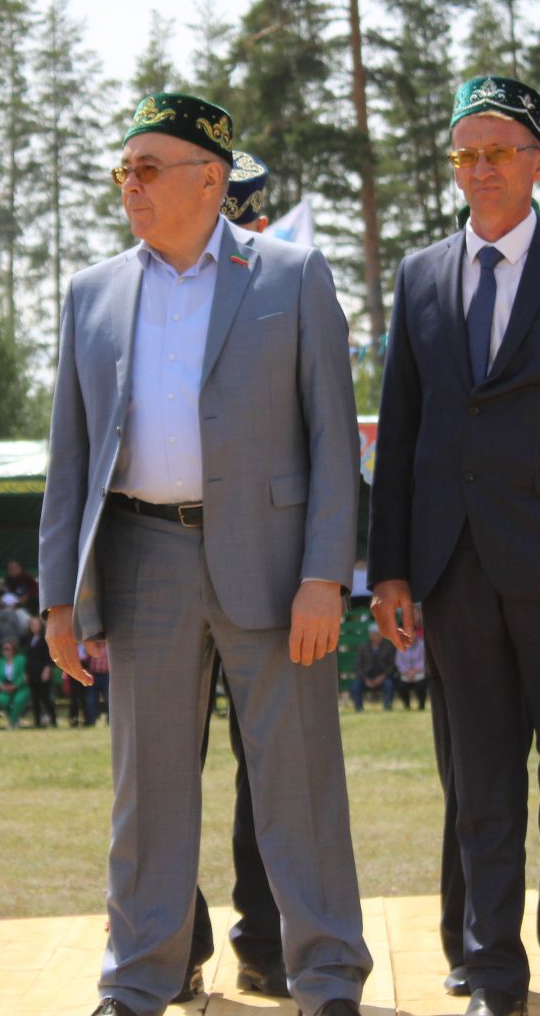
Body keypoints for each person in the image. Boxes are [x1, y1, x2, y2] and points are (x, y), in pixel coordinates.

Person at [39, 93, 370, 1016]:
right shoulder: (93, 292)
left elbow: (333, 442)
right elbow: (70, 457)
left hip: (273, 566)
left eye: (148, 169)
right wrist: (60, 599)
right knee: (147, 790)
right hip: (143, 557)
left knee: (299, 780)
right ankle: (138, 979)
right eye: (124, 170)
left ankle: (329, 978)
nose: (130, 186)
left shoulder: (293, 277)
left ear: (210, 180)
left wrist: (323, 577)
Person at [368, 75, 540, 1016]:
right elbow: (401, 431)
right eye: (465, 155)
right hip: (451, 576)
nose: (480, 170)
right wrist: (392, 565)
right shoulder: (419, 275)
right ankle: (491, 974)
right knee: (478, 791)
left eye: (498, 152)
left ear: (538, 163)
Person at [183, 150, 291, 1002]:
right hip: (165, 554)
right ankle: (172, 939)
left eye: (251, 216)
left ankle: (266, 935)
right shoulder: (151, 286)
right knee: (162, 764)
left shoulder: (283, 289)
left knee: (270, 763)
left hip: (267, 561)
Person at [25, 614, 58, 728]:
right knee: (35, 699)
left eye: (36, 624)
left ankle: (53, 721)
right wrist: (26, 672)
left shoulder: (45, 639)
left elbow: (49, 656)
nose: (34, 627)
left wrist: (47, 669)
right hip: (33, 672)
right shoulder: (29, 639)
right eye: (32, 625)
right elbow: (28, 657)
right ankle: (37, 722)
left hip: (43, 671)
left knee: (46, 698)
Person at [353, 626, 396, 711]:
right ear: (370, 635)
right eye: (374, 634)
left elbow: (392, 666)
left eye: (378, 634)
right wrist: (365, 679)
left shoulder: (389, 647)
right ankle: (359, 709)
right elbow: (358, 666)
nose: (377, 636)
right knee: (356, 685)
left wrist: (382, 677)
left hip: (383, 678)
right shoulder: (363, 648)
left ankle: (387, 707)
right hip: (366, 678)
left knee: (389, 684)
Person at [0, 637, 30, 729]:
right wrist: (1, 685)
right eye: (4, 649)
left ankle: (12, 724)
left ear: (13, 650)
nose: (6, 651)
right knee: (1, 699)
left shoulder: (20, 659)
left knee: (18, 700)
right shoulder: (0, 661)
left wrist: (15, 686)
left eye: (8, 649)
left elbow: (23, 675)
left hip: (20, 688)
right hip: (5, 688)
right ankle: (14, 719)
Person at [395, 618, 429, 710]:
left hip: (419, 673)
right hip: (406, 674)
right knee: (401, 685)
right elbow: (399, 662)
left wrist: (414, 671)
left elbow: (424, 660)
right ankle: (407, 706)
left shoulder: (422, 644)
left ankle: (421, 706)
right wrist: (406, 672)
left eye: (411, 633)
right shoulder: (400, 645)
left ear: (415, 633)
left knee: (422, 684)